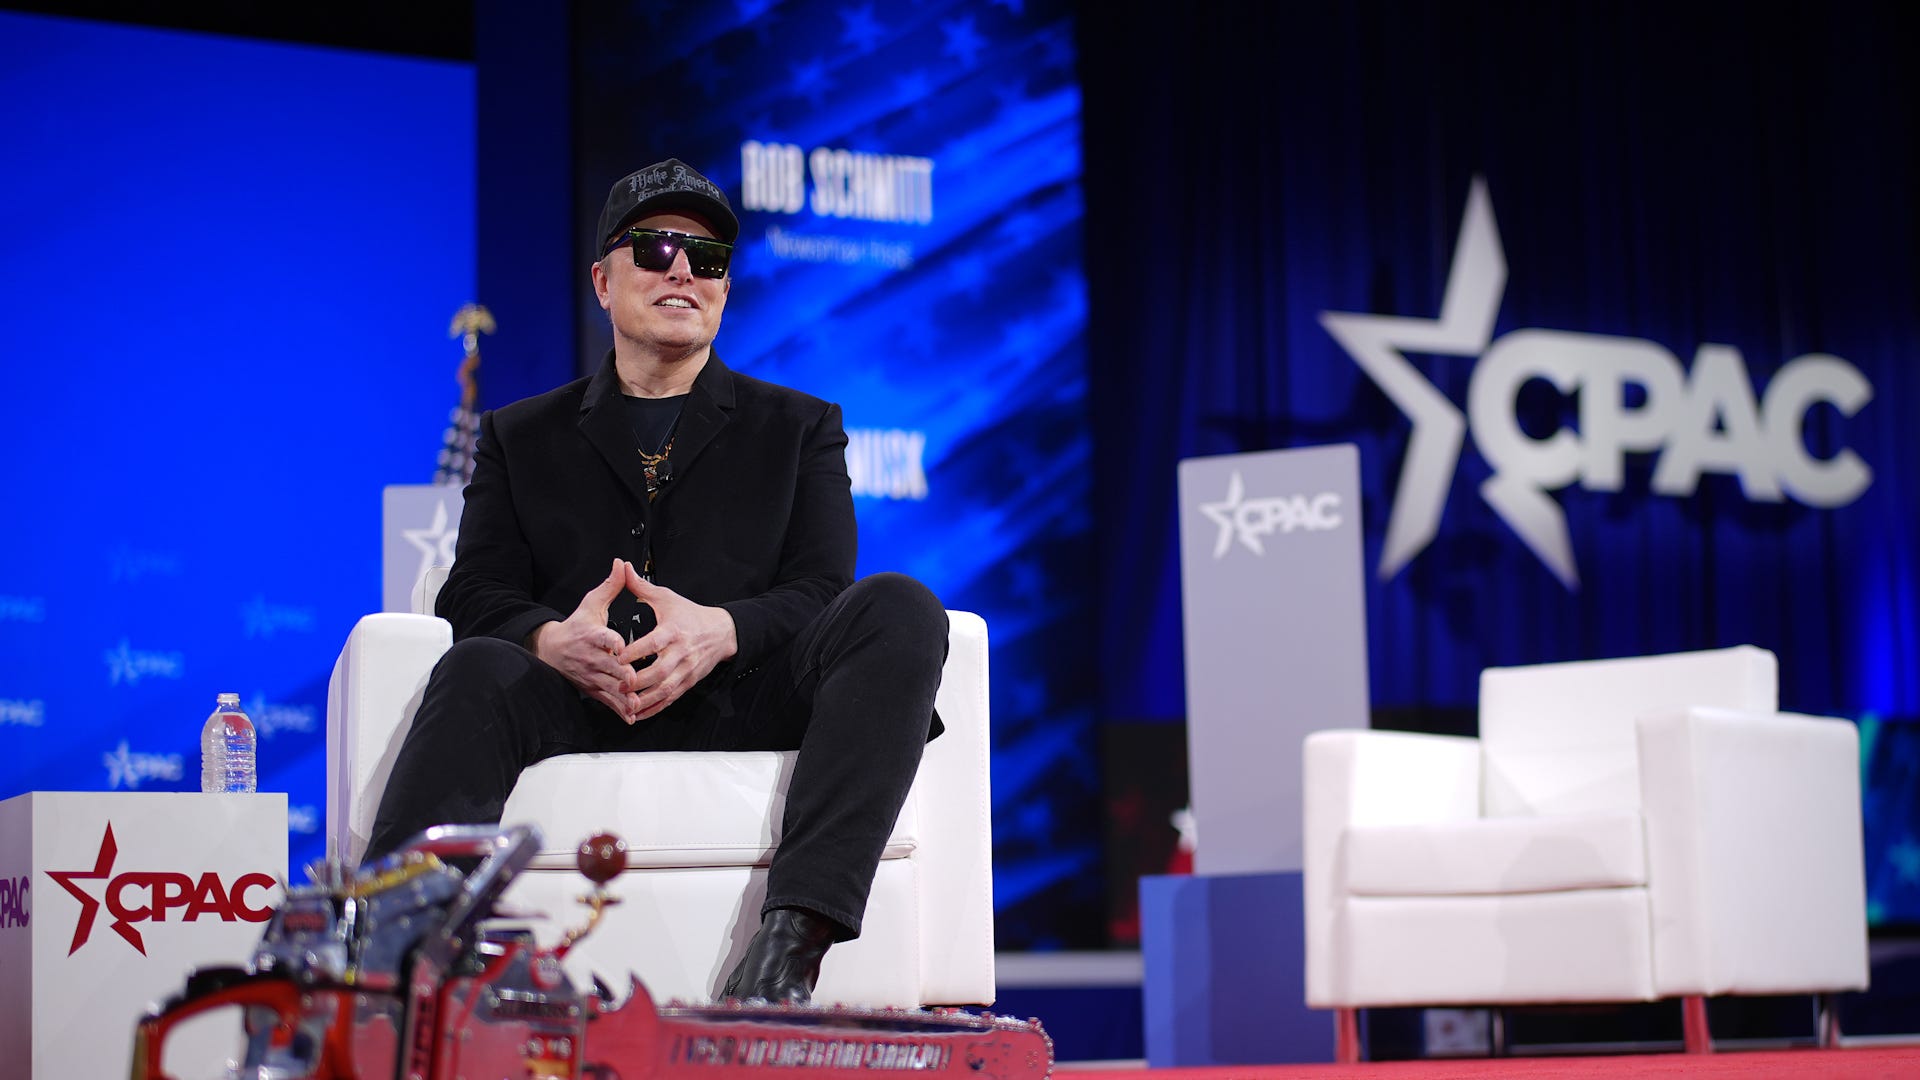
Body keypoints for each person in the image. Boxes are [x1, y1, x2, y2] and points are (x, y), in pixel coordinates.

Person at [365, 157, 949, 1004]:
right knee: (476, 664)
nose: (682, 268)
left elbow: (823, 589)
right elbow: (474, 590)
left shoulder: (800, 426)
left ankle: (783, 957)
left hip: (740, 692)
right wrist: (550, 640)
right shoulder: (519, 436)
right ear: (603, 281)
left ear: (721, 289)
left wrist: (723, 630)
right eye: (656, 247)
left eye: (706, 258)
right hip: (578, 700)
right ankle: (392, 962)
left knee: (900, 608)